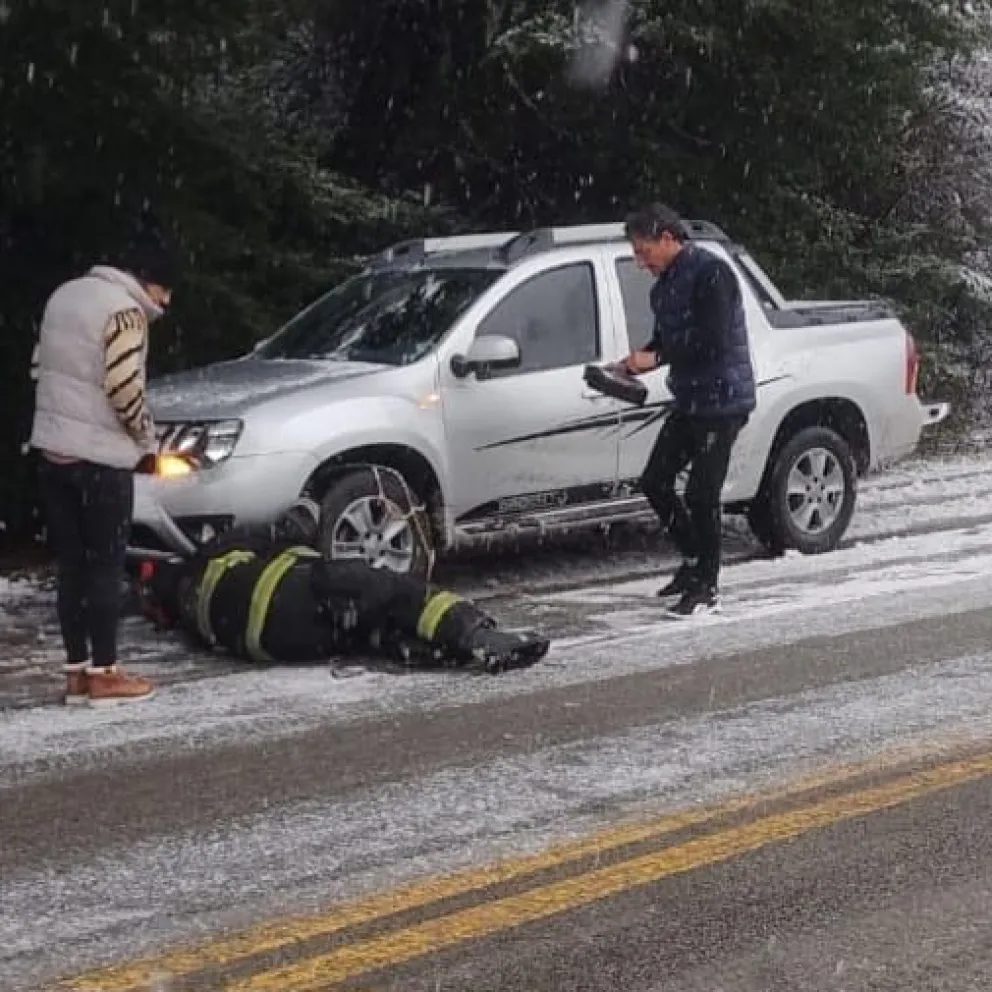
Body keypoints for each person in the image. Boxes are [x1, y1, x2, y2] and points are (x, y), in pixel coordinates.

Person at [137, 497, 551, 674]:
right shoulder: (214, 554)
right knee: (389, 590)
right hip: (292, 594)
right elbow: (289, 529)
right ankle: (477, 634)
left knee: (362, 629)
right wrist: (309, 508)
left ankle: (431, 649)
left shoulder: (190, 614)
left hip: (273, 643)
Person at [29, 225, 179, 705]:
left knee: (72, 566)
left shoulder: (65, 296)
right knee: (106, 565)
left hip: (52, 454)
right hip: (101, 459)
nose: (167, 301)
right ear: (147, 280)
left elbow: (38, 367)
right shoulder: (126, 313)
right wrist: (145, 439)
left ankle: (75, 673)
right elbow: (123, 387)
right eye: (165, 288)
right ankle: (106, 672)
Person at [613, 203, 756, 617]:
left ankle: (707, 586)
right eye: (637, 254)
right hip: (690, 398)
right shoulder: (664, 286)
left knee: (701, 494)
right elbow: (665, 340)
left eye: (644, 252)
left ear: (668, 238)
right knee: (655, 481)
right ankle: (693, 561)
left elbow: (711, 338)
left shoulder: (713, 274)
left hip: (723, 399)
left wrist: (656, 360)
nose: (641, 263)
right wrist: (633, 362)